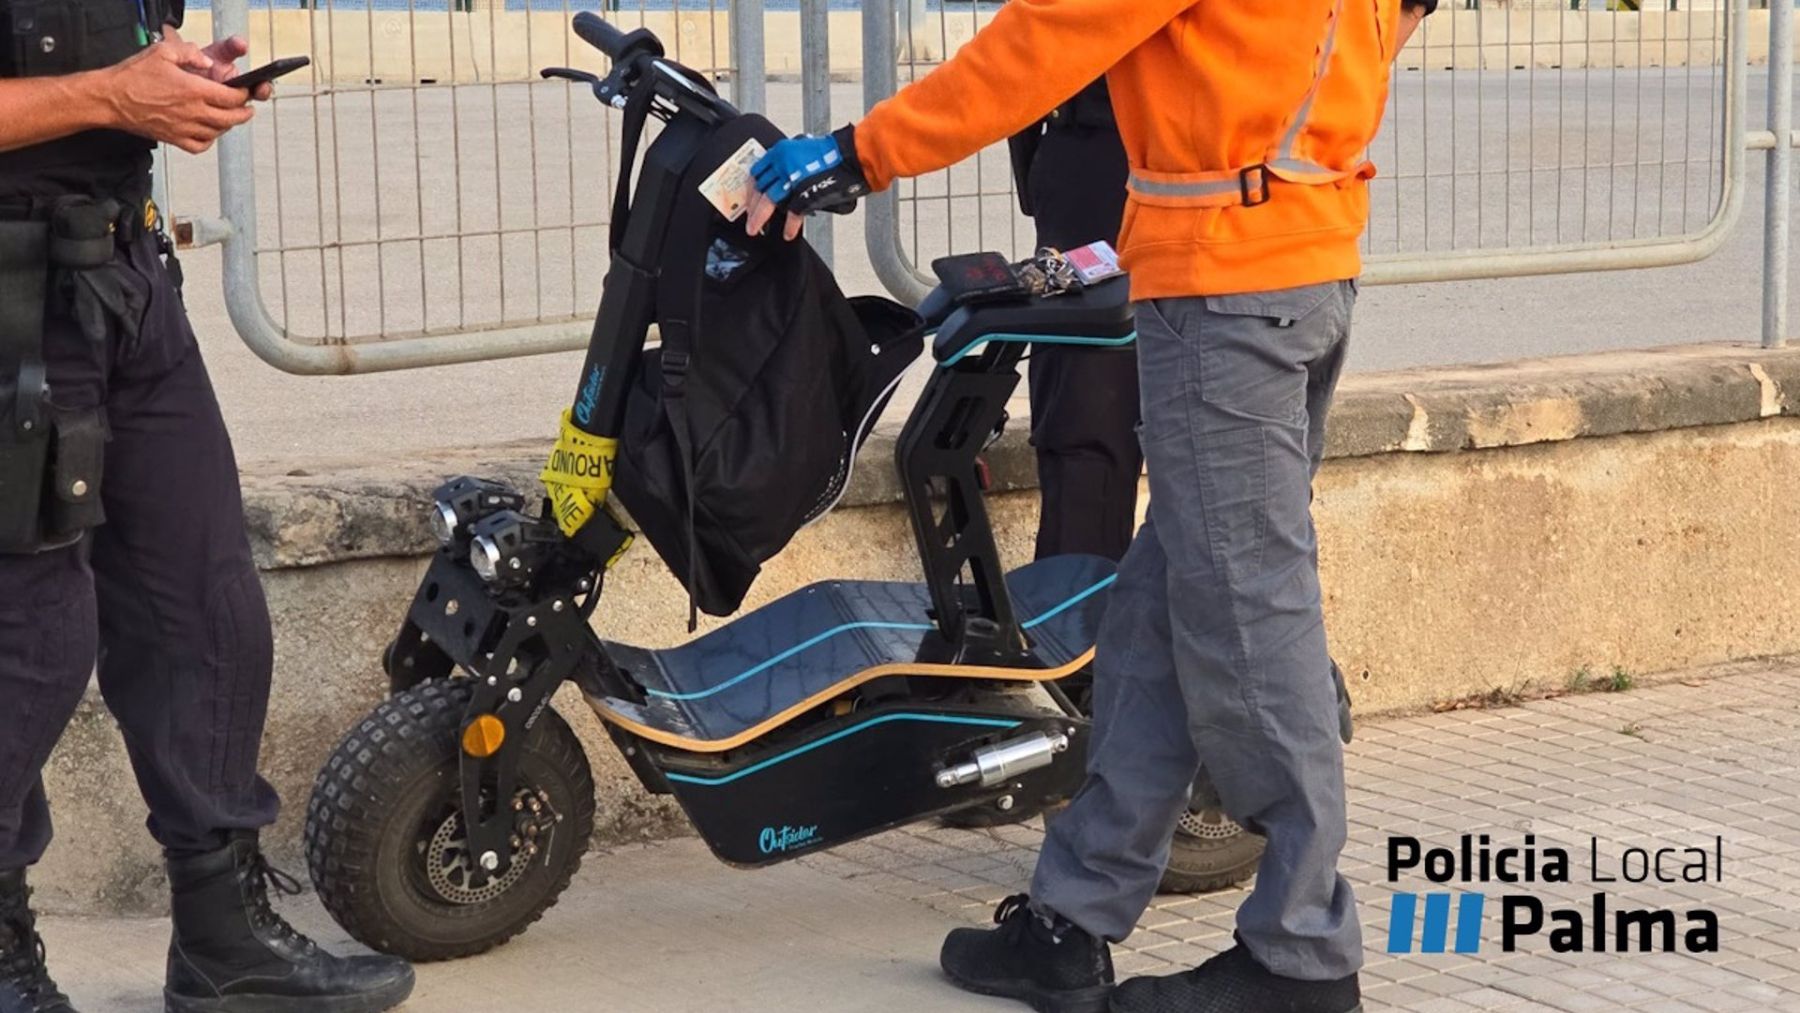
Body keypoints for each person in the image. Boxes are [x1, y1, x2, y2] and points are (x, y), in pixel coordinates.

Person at [746, 1, 1436, 1010]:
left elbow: (1041, 45)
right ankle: (1072, 914)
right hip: (1304, 257)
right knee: (1162, 604)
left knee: (1248, 616)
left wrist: (862, 151)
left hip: (1228, 285)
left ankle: (1302, 955)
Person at [0, 5, 413, 1012]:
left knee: (206, 610)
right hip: (12, 310)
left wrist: (179, 77)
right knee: (32, 640)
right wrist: (110, 92)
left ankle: (225, 941)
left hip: (126, 284)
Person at [1008, 78, 1139, 563]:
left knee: (1089, 427)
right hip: (1103, 149)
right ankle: (1080, 621)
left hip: (1114, 141)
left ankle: (1080, 619)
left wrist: (860, 152)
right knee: (1087, 432)